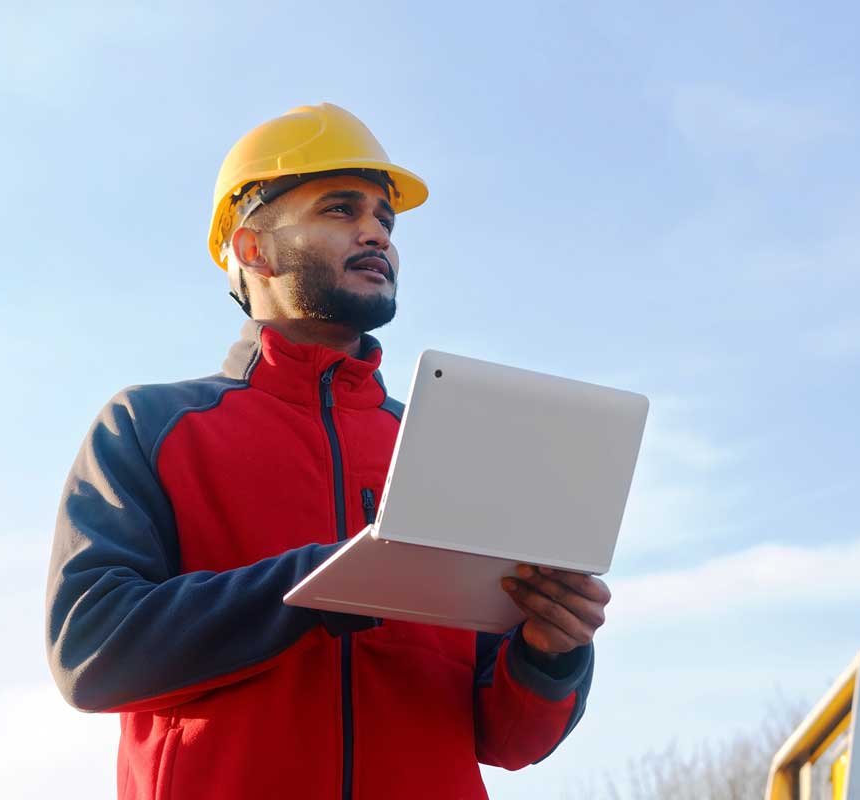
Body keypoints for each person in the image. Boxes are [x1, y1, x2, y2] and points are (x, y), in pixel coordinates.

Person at [45, 103, 612, 800]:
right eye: (341, 209)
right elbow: (92, 649)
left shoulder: (447, 446)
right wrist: (321, 588)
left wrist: (550, 653)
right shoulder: (150, 425)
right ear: (253, 249)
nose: (376, 232)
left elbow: (508, 739)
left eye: (385, 218)